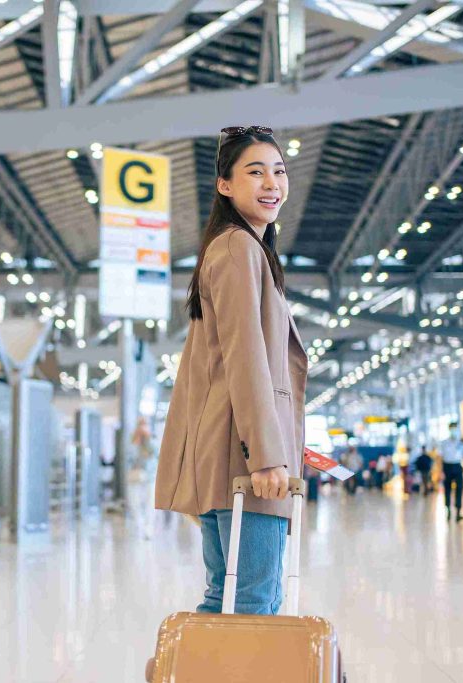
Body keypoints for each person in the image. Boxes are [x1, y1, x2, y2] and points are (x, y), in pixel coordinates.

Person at [155, 125, 305, 616]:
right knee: (254, 605)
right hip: (246, 462)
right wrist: (266, 455)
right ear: (225, 185)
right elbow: (246, 359)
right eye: (255, 172)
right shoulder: (239, 249)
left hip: (224, 456)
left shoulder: (231, 249)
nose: (271, 184)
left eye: (279, 172)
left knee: (225, 600)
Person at [437, 421, 463, 522]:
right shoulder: (444, 443)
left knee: (459, 489)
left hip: (458, 466)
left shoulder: (461, 442)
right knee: (447, 489)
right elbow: (440, 457)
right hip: (447, 467)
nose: (454, 430)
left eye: (455, 428)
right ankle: (448, 509)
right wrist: (441, 471)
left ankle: (458, 512)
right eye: (452, 428)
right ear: (449, 429)